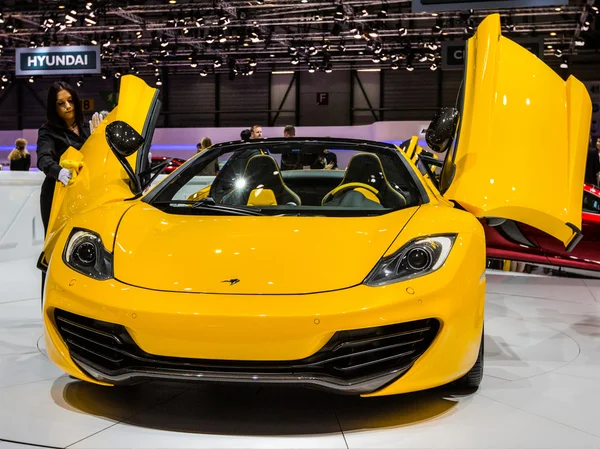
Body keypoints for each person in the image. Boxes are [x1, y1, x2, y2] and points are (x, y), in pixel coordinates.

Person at [37, 81, 90, 235]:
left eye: (70, 101)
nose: (67, 106)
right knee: (57, 242)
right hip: (58, 193)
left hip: (85, 193)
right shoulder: (48, 131)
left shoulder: (87, 127)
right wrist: (59, 172)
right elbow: (43, 158)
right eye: (61, 103)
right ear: (54, 108)